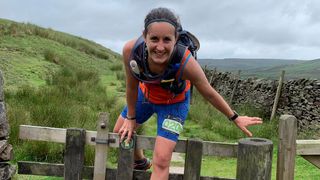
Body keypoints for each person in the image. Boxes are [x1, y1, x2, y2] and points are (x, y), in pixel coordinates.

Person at [113, 7, 263, 180]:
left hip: (174, 105)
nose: (160, 47)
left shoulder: (185, 62)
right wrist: (131, 119)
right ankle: (140, 162)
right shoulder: (131, 51)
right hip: (145, 96)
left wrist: (234, 117)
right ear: (144, 35)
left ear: (175, 39)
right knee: (120, 131)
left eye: (167, 40)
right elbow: (131, 87)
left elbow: (209, 92)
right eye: (154, 38)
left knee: (161, 160)